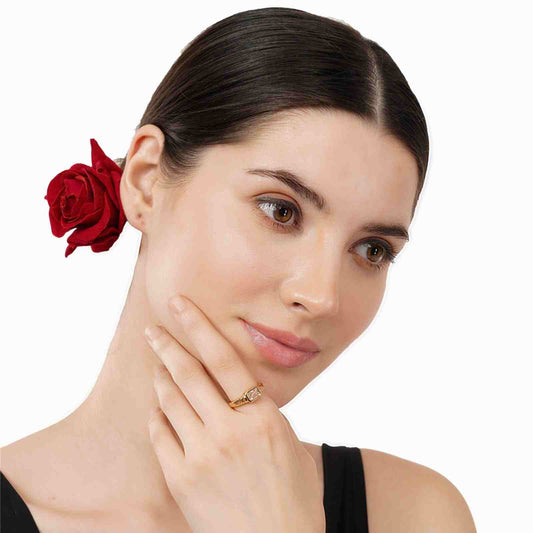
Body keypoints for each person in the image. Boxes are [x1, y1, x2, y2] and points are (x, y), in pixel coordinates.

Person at [1, 7, 476, 532]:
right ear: (145, 181)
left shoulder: (417, 515)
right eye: (281, 211)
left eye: (372, 250)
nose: (322, 296)